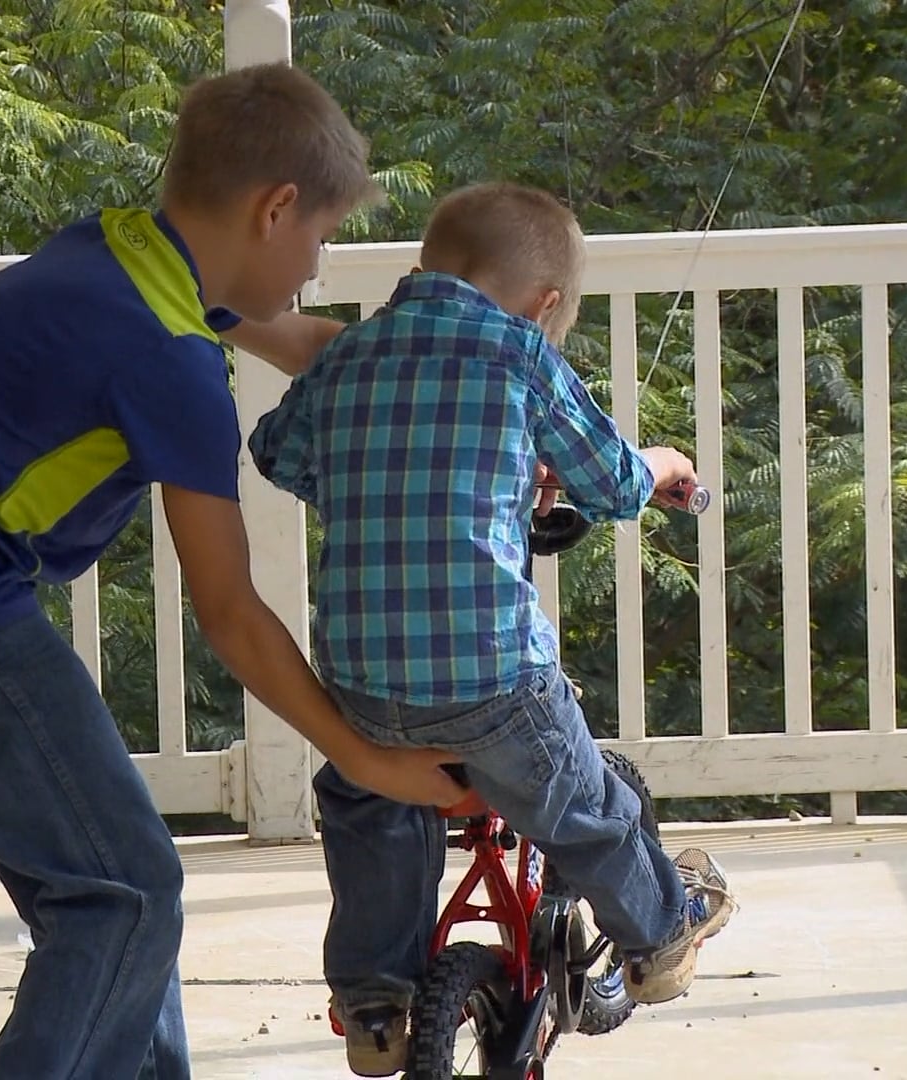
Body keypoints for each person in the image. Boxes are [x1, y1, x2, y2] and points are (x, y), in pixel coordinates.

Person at [0, 63, 468, 1080]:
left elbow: (306, 342)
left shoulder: (129, 257)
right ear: (275, 208)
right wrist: (369, 759)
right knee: (123, 895)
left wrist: (477, 401)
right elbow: (233, 614)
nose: (315, 265)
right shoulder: (165, 355)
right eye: (319, 239)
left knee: (114, 891)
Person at [247, 181, 740, 1076]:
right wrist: (660, 462)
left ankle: (374, 999)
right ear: (545, 304)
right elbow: (613, 481)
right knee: (586, 808)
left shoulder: (350, 355)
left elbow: (279, 453)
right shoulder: (522, 356)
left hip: (361, 690)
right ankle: (663, 931)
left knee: (369, 813)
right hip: (493, 684)